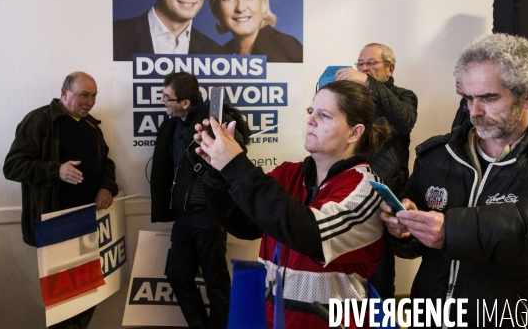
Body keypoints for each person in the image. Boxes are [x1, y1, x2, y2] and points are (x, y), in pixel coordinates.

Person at [382, 33, 528, 328]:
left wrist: (452, 230)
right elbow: (413, 238)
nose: (474, 111)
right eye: (468, 97)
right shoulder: (438, 154)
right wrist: (402, 228)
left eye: (489, 98)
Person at [194, 80, 390, 328]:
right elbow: (245, 225)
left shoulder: (367, 190)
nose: (310, 120)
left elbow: (308, 233)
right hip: (274, 321)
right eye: (311, 111)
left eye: (325, 115)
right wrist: (217, 172)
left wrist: (235, 165)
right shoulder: (288, 173)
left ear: (355, 132)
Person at [3, 71, 118, 329]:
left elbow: (106, 163)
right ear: (64, 93)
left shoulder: (91, 126)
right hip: (54, 226)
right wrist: (56, 170)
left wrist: (107, 187)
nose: (90, 102)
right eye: (84, 95)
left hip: (87, 225)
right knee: (62, 304)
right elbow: (12, 167)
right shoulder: (40, 121)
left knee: (88, 296)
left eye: (94, 96)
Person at [150, 72, 250, 329]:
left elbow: (236, 153)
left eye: (166, 97)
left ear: (185, 103)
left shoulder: (217, 122)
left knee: (216, 282)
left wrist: (214, 139)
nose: (162, 101)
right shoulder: (172, 125)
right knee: (177, 275)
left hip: (210, 214)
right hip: (183, 214)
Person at [335, 43, 418, 300]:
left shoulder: (405, 96)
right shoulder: (353, 100)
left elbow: (404, 121)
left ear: (390, 68)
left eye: (371, 63)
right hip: (350, 185)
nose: (363, 69)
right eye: (360, 64)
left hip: (386, 188)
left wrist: (367, 82)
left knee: (380, 270)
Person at [207, 0, 303, 62]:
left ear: (263, 2)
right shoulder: (220, 56)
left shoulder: (285, 47)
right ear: (216, 8)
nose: (240, 7)